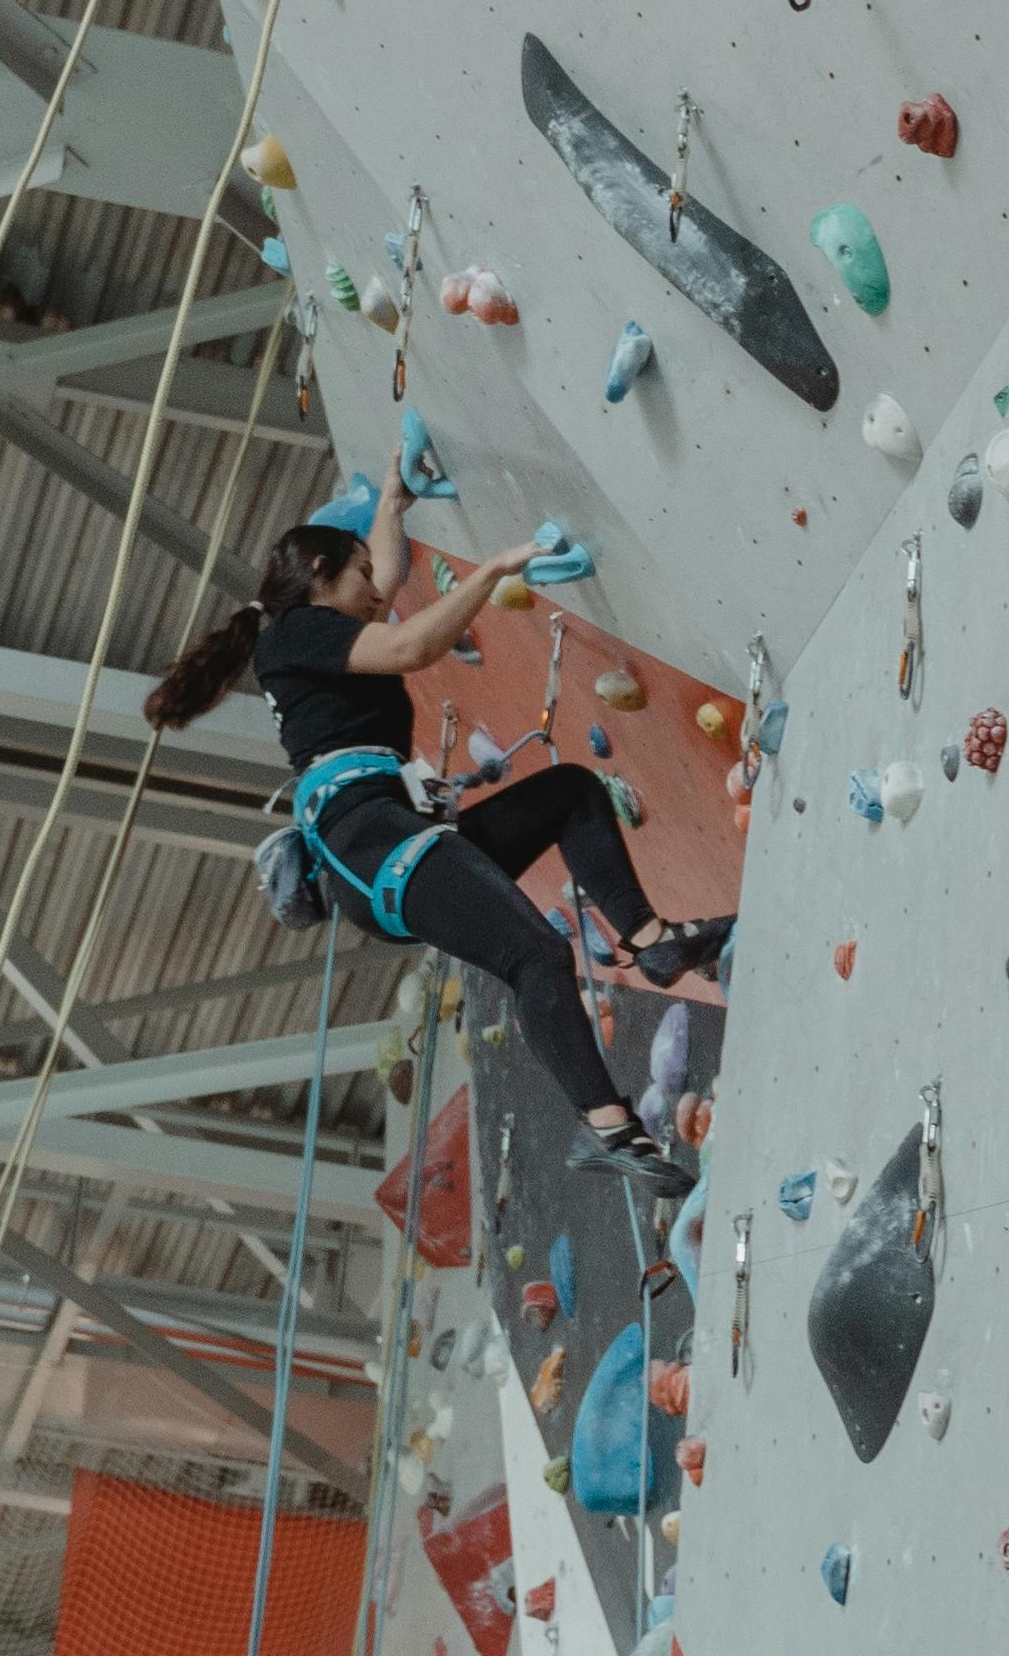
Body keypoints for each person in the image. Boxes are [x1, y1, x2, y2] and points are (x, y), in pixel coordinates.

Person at [146, 481, 725, 1163]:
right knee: (535, 954)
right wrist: (489, 573)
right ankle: (607, 1127)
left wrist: (392, 504)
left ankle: (654, 942)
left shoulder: (319, 633)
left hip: (386, 836)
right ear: (318, 578)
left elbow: (387, 588)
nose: (376, 590)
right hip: (372, 839)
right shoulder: (297, 633)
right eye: (358, 573)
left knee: (570, 793)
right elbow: (411, 648)